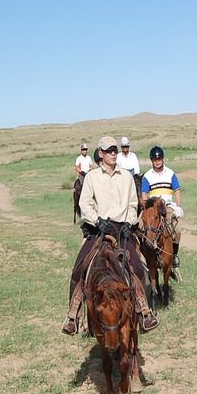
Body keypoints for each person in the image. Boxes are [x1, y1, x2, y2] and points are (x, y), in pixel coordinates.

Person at [61, 136, 159, 335]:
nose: (114, 153)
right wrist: (96, 220)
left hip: (122, 228)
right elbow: (85, 204)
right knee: (79, 268)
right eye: (109, 150)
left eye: (115, 149)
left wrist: (130, 222)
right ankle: (73, 316)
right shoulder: (92, 177)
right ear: (101, 154)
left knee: (138, 269)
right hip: (99, 229)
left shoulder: (126, 177)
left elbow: (133, 204)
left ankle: (144, 314)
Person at [141, 146, 184, 280]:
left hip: (168, 207)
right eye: (155, 159)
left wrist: (178, 206)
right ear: (151, 160)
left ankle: (174, 259)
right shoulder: (147, 176)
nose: (157, 161)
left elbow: (176, 190)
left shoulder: (170, 173)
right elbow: (144, 195)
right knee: (138, 228)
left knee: (177, 229)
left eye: (159, 158)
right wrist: (147, 208)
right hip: (152, 208)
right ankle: (142, 259)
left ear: (163, 159)